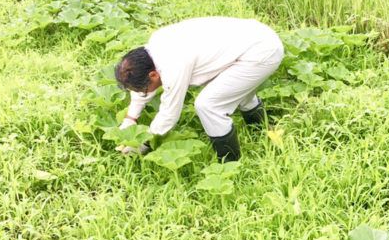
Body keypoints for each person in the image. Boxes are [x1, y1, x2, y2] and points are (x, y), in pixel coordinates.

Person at [114, 16, 284, 162]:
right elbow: (141, 89)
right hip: (254, 35)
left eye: (144, 88)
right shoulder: (154, 46)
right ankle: (262, 133)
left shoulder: (173, 65)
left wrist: (143, 142)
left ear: (153, 75)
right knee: (236, 91)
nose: (143, 92)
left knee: (208, 105)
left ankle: (231, 162)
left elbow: (169, 115)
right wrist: (130, 119)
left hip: (262, 51)